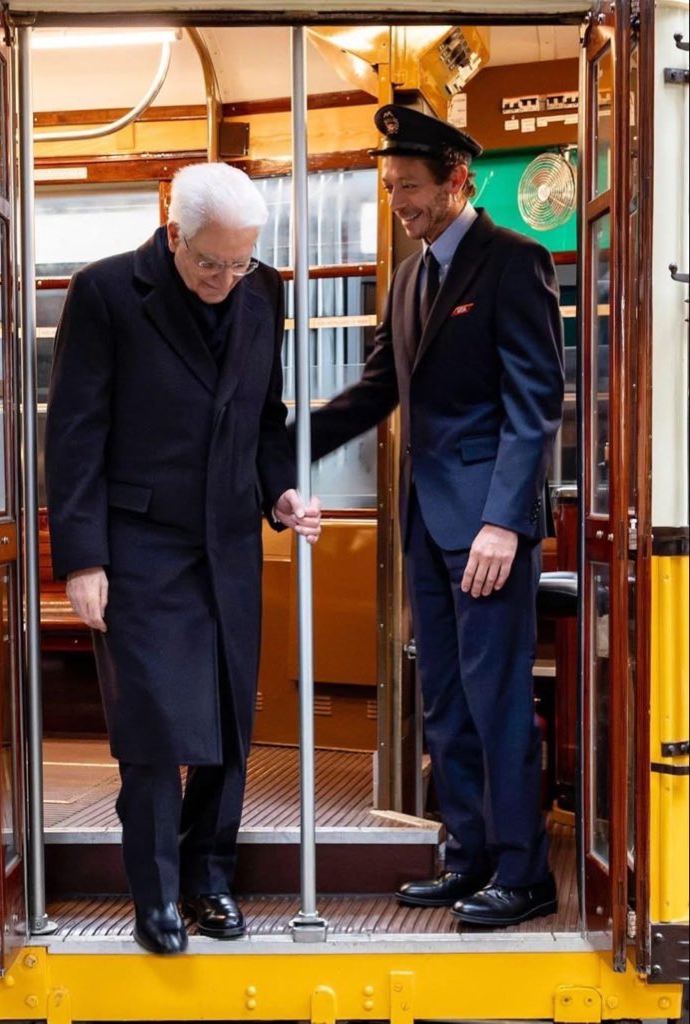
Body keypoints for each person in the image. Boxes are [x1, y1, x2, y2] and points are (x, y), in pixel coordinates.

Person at [45, 162, 321, 955]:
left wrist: (281, 493)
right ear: (174, 234)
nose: (227, 279)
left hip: (228, 540)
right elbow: (74, 433)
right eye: (210, 263)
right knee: (155, 727)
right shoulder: (105, 293)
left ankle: (208, 878)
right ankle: (157, 896)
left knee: (229, 721)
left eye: (240, 262)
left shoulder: (263, 292)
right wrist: (83, 559)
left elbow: (265, 418)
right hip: (138, 545)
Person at [305, 105, 564, 927]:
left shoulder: (514, 261)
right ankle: (469, 856)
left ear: (458, 181)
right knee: (445, 700)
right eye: (390, 189)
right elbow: (377, 390)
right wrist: (284, 447)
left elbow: (534, 405)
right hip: (427, 522)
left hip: (487, 529)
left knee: (495, 699)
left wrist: (505, 522)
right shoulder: (411, 277)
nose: (398, 204)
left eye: (409, 188)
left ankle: (525, 873)